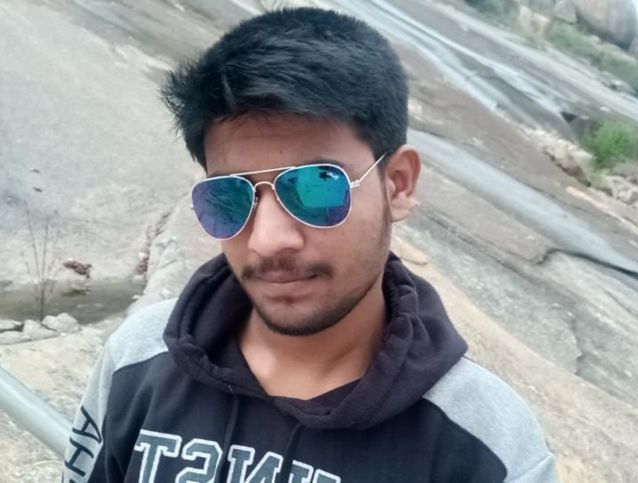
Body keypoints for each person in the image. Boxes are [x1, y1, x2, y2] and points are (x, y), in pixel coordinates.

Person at [62, 7, 556, 483]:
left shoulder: (485, 448)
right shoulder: (139, 358)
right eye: (229, 197)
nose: (268, 241)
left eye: (317, 187)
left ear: (398, 184)